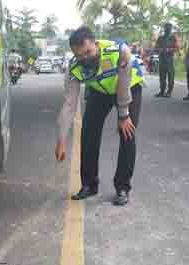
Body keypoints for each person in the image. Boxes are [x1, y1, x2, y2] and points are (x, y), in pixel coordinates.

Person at [54, 26, 144, 206]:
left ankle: (122, 187)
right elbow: (70, 104)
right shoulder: (74, 67)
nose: (85, 58)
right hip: (100, 90)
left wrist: (123, 115)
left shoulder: (119, 52)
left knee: (127, 133)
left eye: (88, 52)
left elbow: (123, 85)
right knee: (88, 133)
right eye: (80, 55)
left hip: (128, 86)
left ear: (96, 43)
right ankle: (89, 184)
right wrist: (61, 140)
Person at [154, 22, 180, 97]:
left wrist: (169, 50)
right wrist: (159, 50)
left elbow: (177, 48)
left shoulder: (173, 38)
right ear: (164, 28)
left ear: (171, 29)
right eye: (166, 27)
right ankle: (162, 91)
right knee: (162, 76)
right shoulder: (160, 38)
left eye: (169, 28)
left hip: (170, 60)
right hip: (162, 59)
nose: (167, 29)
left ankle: (169, 92)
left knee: (170, 76)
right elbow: (156, 48)